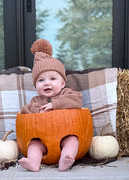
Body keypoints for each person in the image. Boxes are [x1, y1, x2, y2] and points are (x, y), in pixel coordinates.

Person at [18, 39, 83, 172]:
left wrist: (55, 104)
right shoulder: (36, 100)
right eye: (41, 80)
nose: (47, 83)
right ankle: (34, 163)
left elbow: (77, 100)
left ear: (63, 83)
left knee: (73, 140)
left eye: (53, 79)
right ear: (36, 86)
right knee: (33, 145)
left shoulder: (67, 93)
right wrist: (37, 111)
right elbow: (25, 111)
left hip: (65, 136)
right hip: (43, 141)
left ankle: (66, 158)